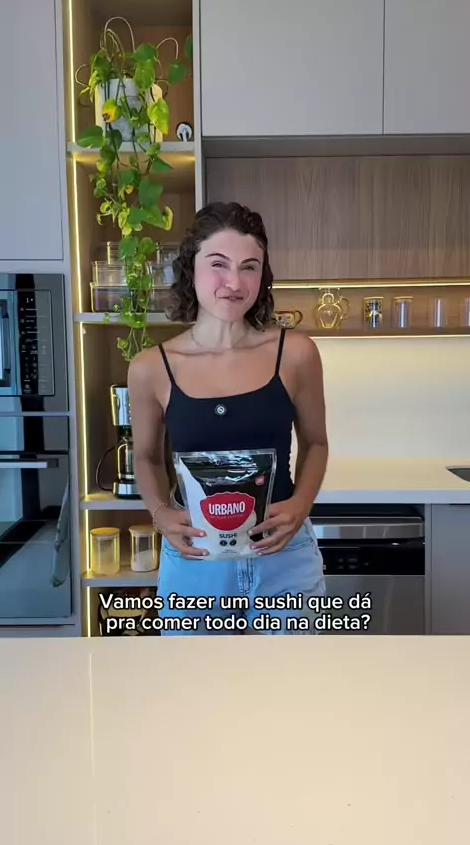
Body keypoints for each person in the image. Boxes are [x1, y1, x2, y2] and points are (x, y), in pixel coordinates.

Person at [127, 201, 328, 634]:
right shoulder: (151, 367)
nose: (234, 282)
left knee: (292, 677)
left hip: (283, 560)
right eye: (218, 264)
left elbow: (316, 443)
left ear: (263, 276)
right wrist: (160, 513)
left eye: (249, 267)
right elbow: (145, 457)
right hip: (195, 562)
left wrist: (300, 505)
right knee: (194, 678)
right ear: (191, 268)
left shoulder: (296, 354)